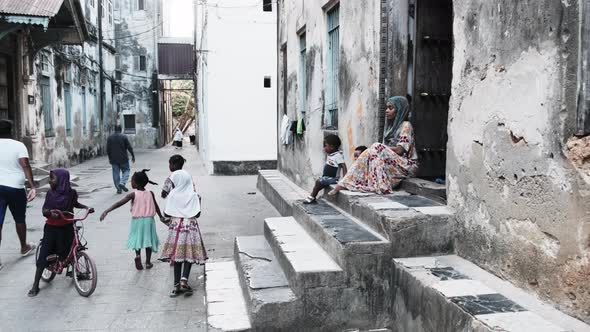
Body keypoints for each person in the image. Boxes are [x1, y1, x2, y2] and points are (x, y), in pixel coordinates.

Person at [329, 96, 418, 195]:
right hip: (393, 164)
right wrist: (376, 149)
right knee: (370, 152)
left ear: (400, 110)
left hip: (406, 165)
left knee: (375, 147)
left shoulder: (406, 125)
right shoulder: (389, 128)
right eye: (386, 108)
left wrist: (379, 148)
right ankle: (347, 182)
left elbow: (400, 150)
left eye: (391, 108)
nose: (387, 111)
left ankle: (347, 183)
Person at [28, 169, 94, 297]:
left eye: (52, 178)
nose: (50, 181)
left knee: (69, 249)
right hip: (52, 228)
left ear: (62, 180)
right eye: (50, 178)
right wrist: (49, 213)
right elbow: (44, 209)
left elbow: (75, 204)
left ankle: (73, 269)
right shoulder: (50, 194)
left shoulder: (72, 193)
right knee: (45, 254)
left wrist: (87, 207)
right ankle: (35, 284)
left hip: (67, 226)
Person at [160, 155, 207, 297]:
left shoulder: (173, 195)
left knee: (177, 256)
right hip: (190, 228)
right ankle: (184, 280)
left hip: (176, 229)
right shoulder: (194, 195)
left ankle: (175, 286)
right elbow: (197, 214)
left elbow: (166, 208)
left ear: (172, 165)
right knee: (188, 255)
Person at [100, 169, 163, 270]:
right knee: (148, 241)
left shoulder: (133, 194)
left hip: (137, 221)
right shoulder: (151, 193)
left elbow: (119, 203)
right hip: (149, 221)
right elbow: (156, 205)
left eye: (132, 181)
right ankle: (147, 262)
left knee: (137, 239)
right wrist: (161, 216)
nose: (131, 182)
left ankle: (138, 256)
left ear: (137, 183)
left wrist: (107, 210)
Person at [0, 120, 37, 270]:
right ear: (12, 130)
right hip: (15, 187)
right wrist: (32, 186)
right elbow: (25, 165)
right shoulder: (18, 145)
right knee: (20, 219)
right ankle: (24, 247)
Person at [303, 135, 347, 204]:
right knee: (318, 184)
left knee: (318, 182)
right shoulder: (331, 154)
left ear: (332, 147)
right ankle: (313, 197)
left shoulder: (338, 155)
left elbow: (344, 166)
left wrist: (344, 180)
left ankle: (312, 197)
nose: (324, 148)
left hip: (333, 178)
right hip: (327, 177)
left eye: (325, 146)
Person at [107, 125, 135, 194]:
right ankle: (122, 182)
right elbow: (129, 147)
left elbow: (108, 149)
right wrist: (133, 155)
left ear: (114, 129)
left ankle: (118, 189)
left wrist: (110, 158)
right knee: (126, 170)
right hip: (123, 159)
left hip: (114, 159)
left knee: (115, 173)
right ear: (121, 129)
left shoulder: (110, 138)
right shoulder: (124, 137)